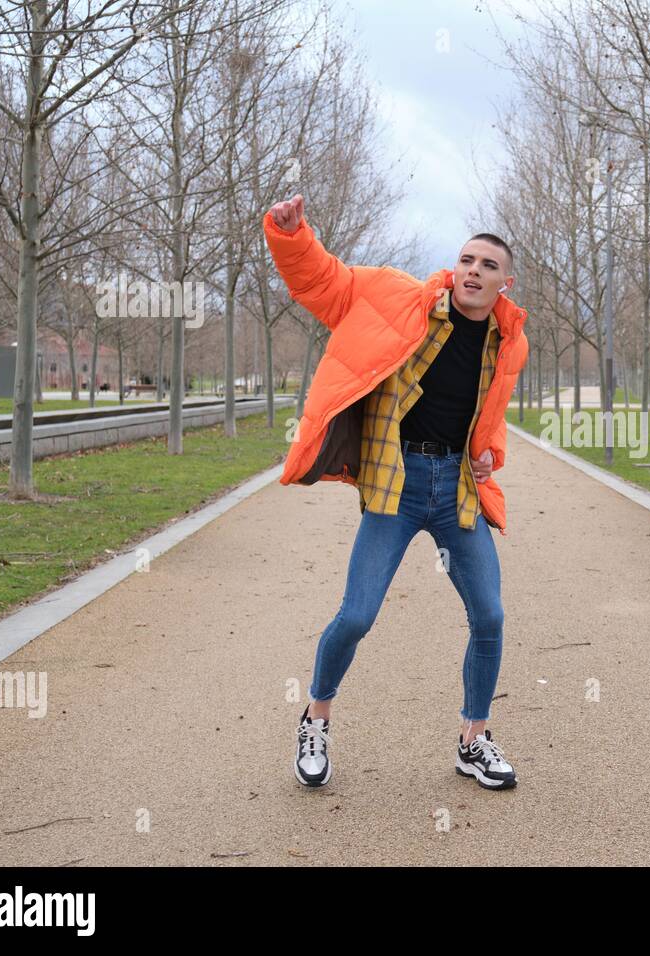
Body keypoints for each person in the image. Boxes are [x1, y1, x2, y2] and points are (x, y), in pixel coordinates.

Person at [263, 194, 529, 791]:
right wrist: (292, 235)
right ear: (453, 267)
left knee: (489, 614)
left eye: (487, 265)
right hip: (397, 483)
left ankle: (473, 739)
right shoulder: (396, 296)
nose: (473, 271)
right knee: (356, 615)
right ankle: (316, 718)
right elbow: (325, 283)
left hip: (456, 489)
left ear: (503, 283)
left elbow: (488, 416)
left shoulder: (508, 342)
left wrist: (490, 456)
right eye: (466, 259)